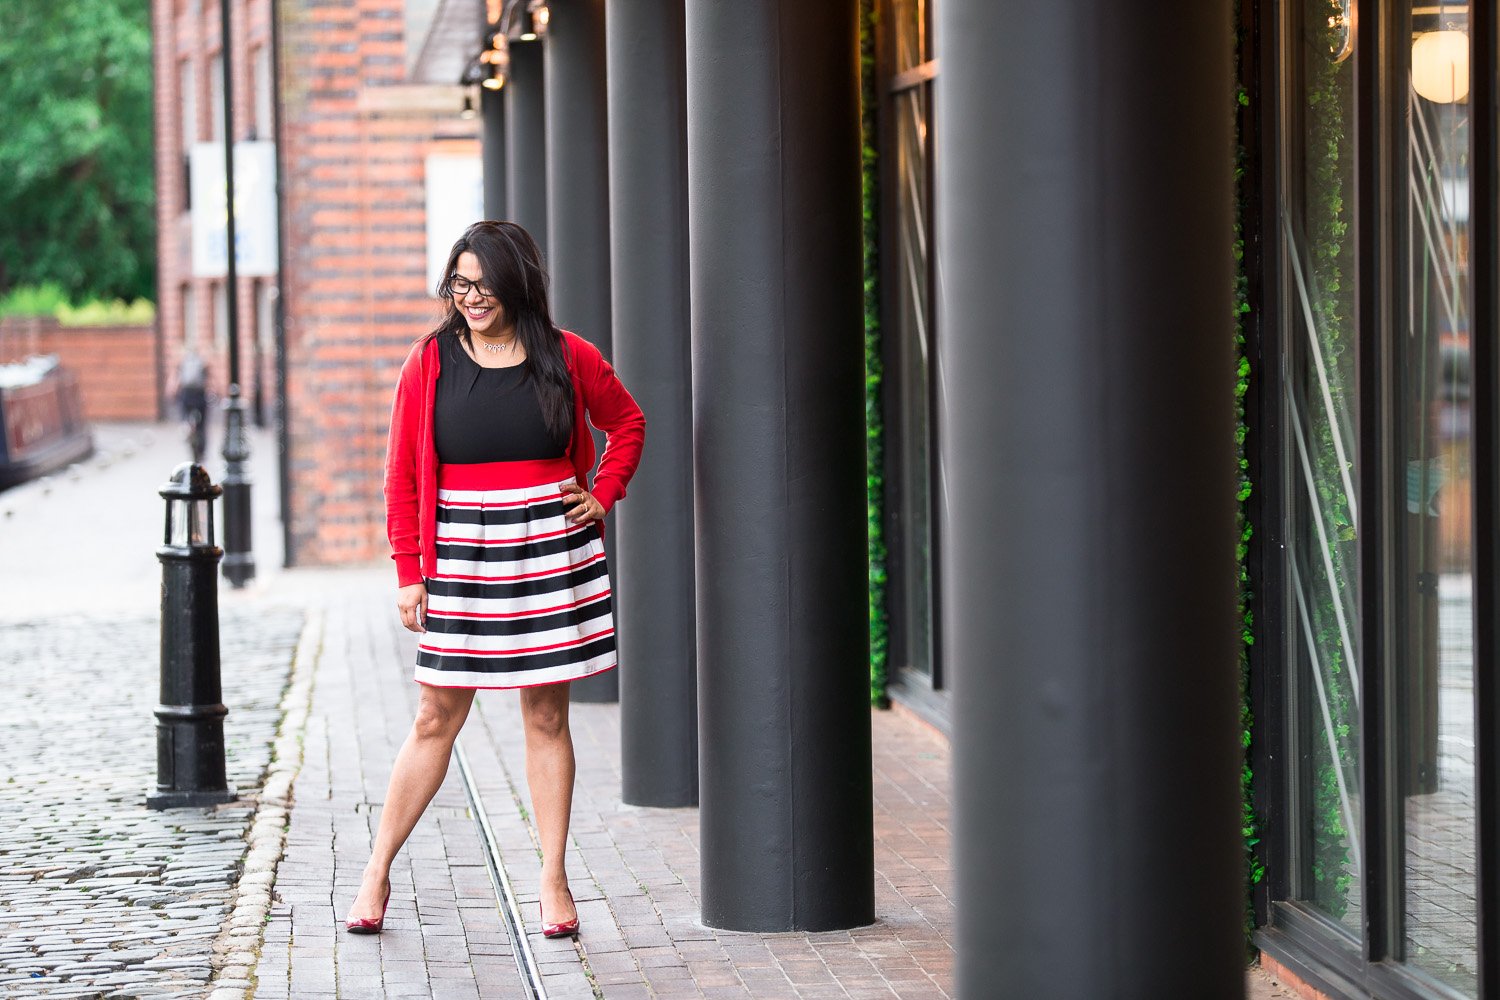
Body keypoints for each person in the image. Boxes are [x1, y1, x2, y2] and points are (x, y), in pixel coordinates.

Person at [345, 220, 645, 937]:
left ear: (516, 282)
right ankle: (376, 871)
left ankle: (551, 881)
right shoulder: (430, 363)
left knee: (545, 717)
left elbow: (626, 422)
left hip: (549, 554)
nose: (470, 297)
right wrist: (408, 572)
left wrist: (603, 492)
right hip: (462, 558)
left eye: (482, 284)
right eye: (459, 283)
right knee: (434, 717)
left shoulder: (567, 355)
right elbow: (401, 478)